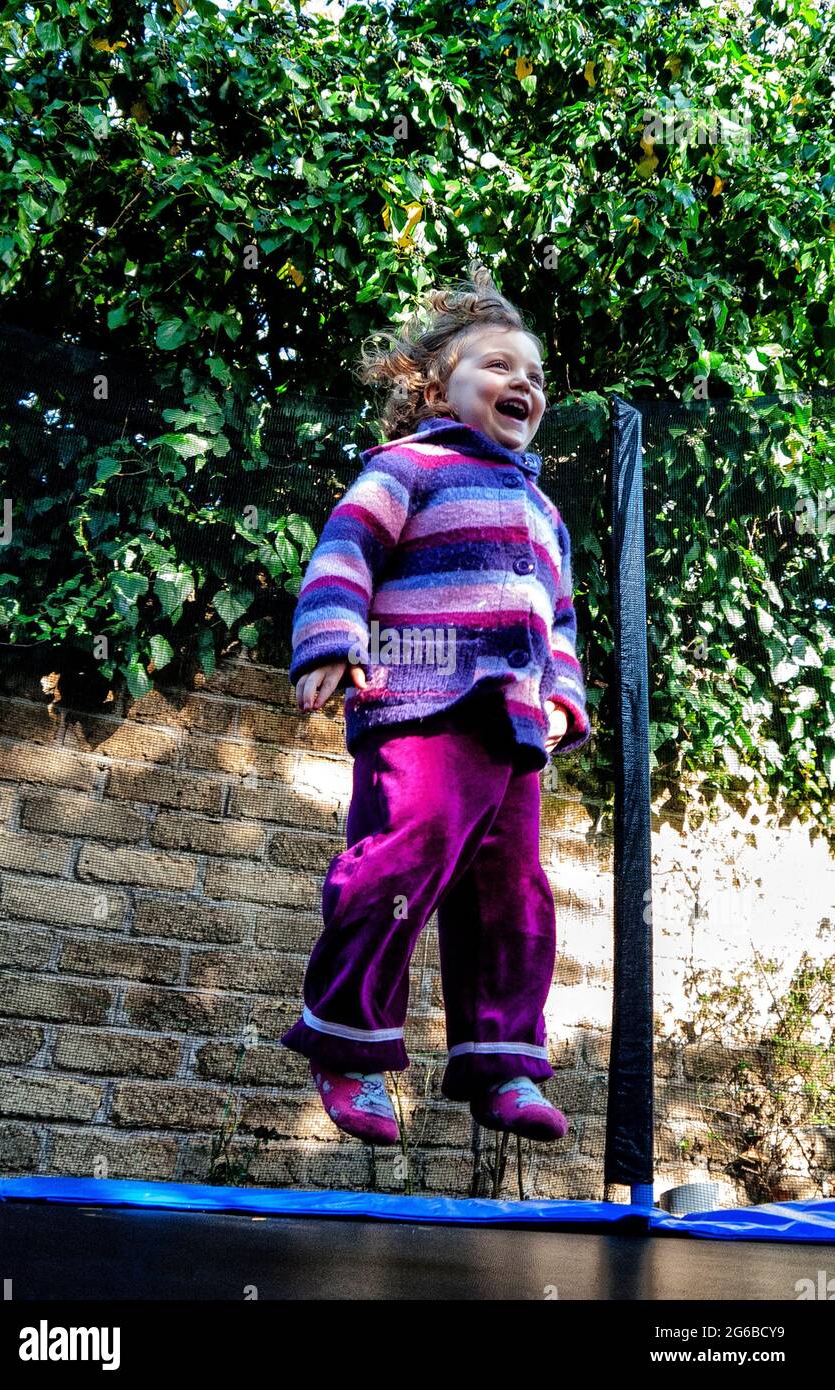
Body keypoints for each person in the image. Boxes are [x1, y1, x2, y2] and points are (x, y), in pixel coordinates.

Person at [279, 261, 591, 1148]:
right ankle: (348, 1045)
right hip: (417, 707)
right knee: (399, 864)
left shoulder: (543, 510)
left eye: (532, 376)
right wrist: (332, 642)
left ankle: (501, 1065)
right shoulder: (406, 469)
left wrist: (561, 692)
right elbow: (344, 557)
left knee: (512, 894)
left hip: (511, 732)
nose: (520, 383)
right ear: (433, 386)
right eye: (497, 366)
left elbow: (558, 617)